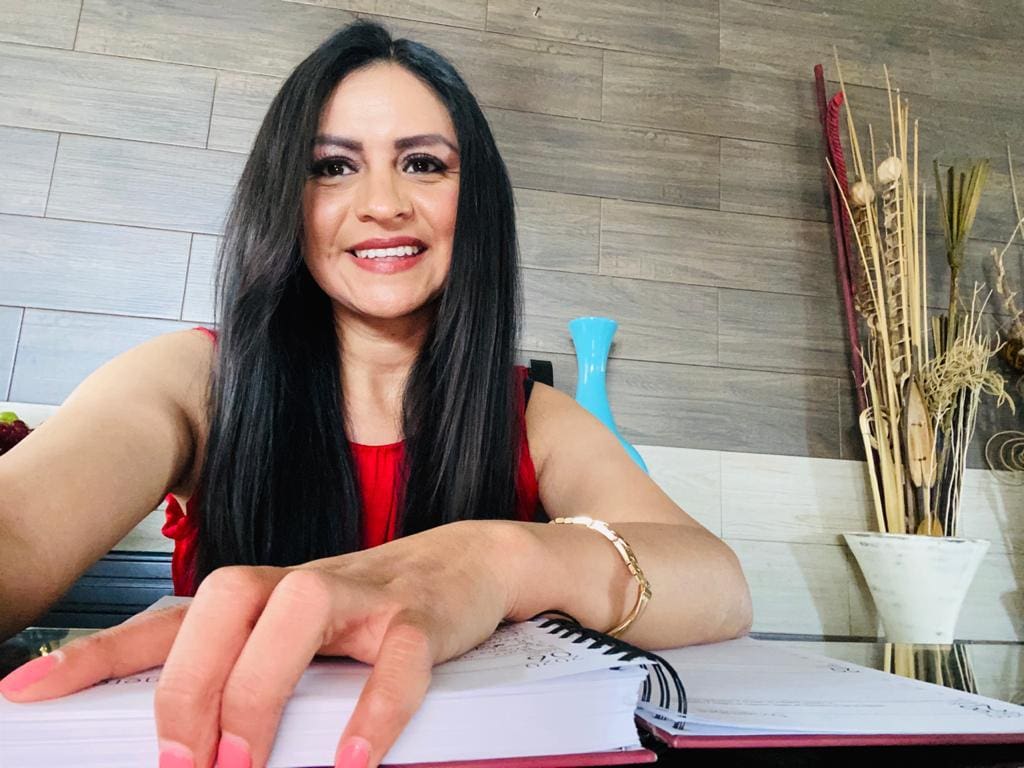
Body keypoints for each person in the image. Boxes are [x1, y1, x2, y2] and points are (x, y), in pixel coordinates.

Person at [0, 19, 752, 768]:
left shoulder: (534, 417)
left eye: (423, 164)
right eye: (333, 167)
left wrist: (494, 558)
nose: (383, 203)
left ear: (476, 201)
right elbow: (19, 531)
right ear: (285, 200)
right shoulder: (193, 379)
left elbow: (718, 585)